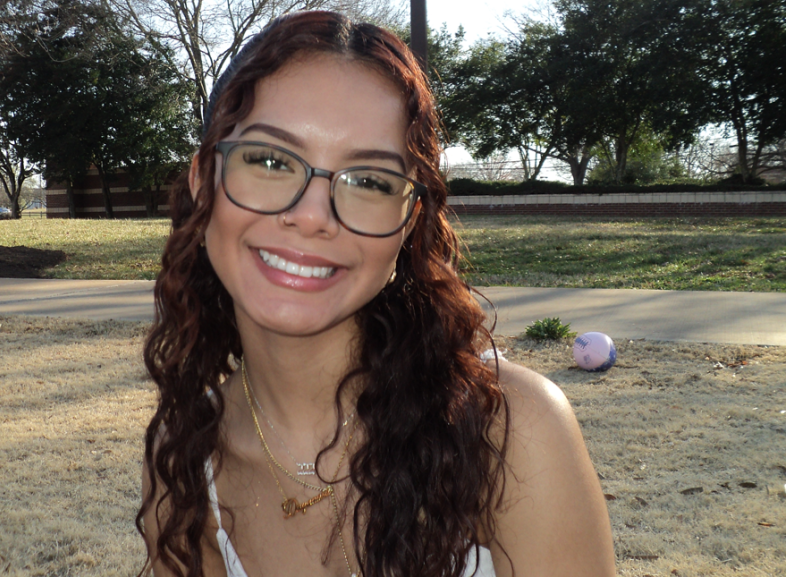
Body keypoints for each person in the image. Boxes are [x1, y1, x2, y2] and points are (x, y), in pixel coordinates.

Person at [138, 11, 616, 577]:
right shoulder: (185, 464)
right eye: (269, 160)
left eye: (369, 181)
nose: (311, 215)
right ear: (202, 183)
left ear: (409, 221)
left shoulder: (510, 431)